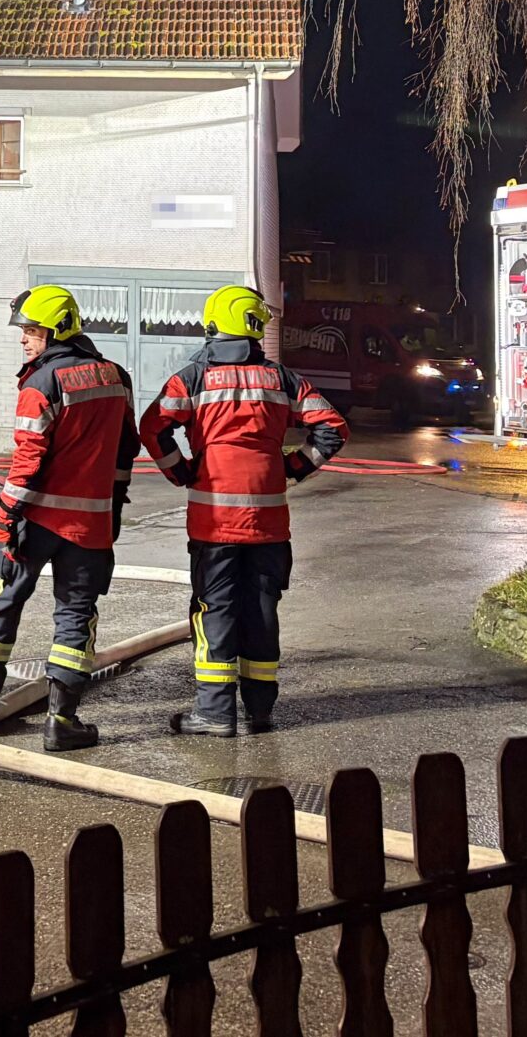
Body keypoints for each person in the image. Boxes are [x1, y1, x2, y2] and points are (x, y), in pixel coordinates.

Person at [138, 284, 347, 736]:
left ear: (215, 325)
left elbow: (152, 429)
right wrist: (292, 467)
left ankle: (214, 713)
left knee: (214, 610)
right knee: (262, 611)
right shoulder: (282, 379)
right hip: (270, 525)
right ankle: (260, 711)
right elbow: (333, 428)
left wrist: (181, 471)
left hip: (214, 526)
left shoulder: (191, 379)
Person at [0, 285, 139, 750]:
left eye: (31, 331)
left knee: (5, 600)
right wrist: (114, 504)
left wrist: (4, 517)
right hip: (90, 527)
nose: (24, 339)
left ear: (57, 330)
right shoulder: (117, 377)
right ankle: (61, 722)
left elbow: (27, 461)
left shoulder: (42, 383)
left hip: (35, 522)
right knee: (76, 619)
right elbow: (126, 451)